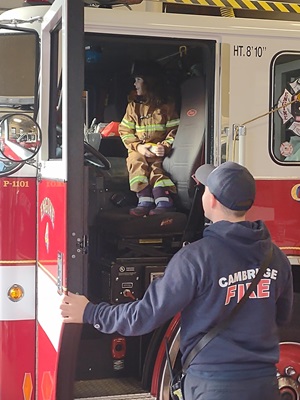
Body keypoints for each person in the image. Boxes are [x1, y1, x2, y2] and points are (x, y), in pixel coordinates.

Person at [60, 161, 293, 400]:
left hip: (213, 387)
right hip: (264, 386)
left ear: (210, 200)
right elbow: (281, 317)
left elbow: (144, 316)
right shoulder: (276, 258)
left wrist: (90, 312)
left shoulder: (195, 259)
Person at [118, 60, 180, 217]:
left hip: (158, 151)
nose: (135, 83)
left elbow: (174, 131)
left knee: (157, 169)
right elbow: (125, 130)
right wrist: (138, 147)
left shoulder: (167, 106)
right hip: (139, 149)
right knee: (135, 162)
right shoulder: (133, 107)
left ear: (150, 82)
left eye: (138, 79)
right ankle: (144, 199)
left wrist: (164, 147)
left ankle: (163, 200)